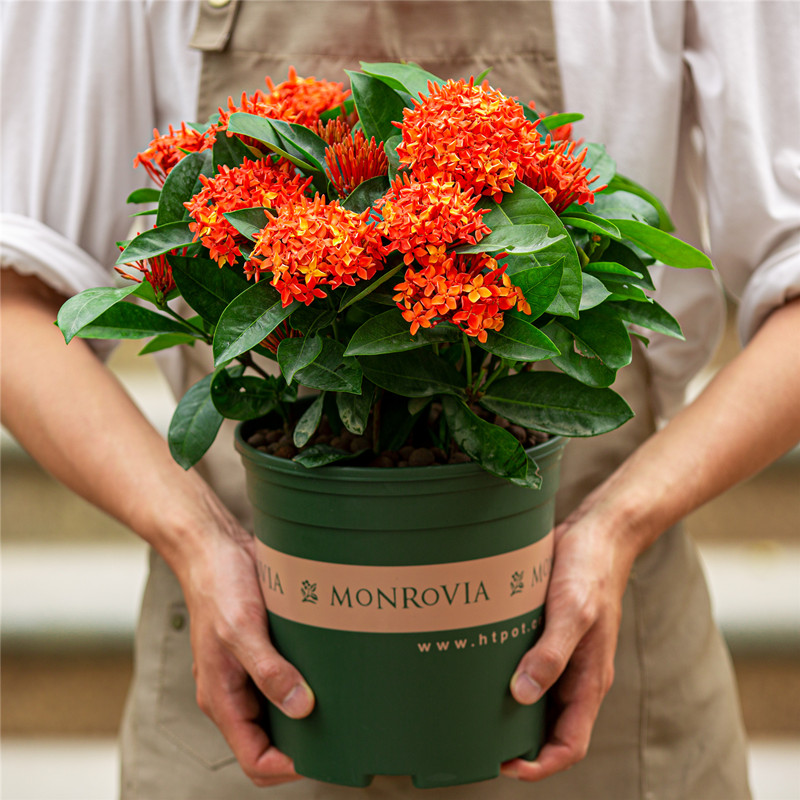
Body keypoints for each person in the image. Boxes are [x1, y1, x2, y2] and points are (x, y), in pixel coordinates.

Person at [2, 1, 799, 798]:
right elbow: (13, 301)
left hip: (597, 669)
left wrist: (618, 526)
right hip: (244, 662)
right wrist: (194, 540)